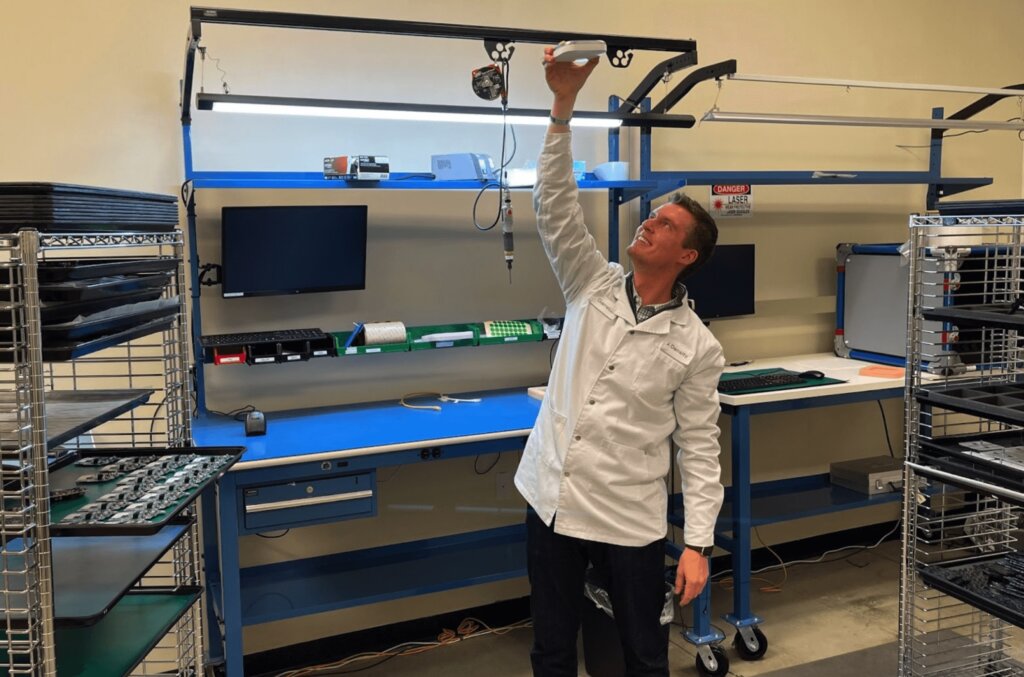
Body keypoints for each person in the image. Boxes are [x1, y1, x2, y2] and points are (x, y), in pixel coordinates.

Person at [513, 46, 726, 677]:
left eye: (663, 225)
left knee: (642, 651)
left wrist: (697, 545)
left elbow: (700, 448)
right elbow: (553, 206)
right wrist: (562, 106)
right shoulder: (593, 283)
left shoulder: (696, 345)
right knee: (551, 645)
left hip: (628, 519)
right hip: (550, 496)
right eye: (650, 217)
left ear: (686, 256)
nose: (647, 226)